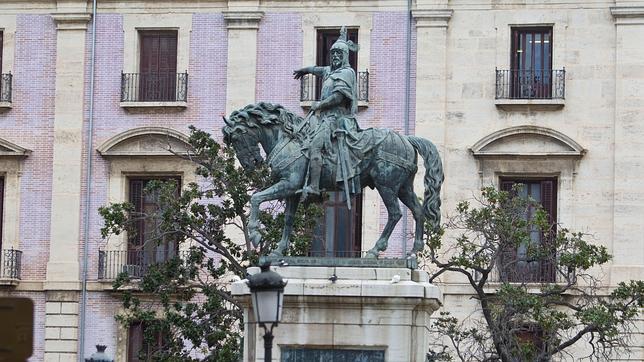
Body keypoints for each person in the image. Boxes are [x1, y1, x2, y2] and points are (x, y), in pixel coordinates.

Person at [293, 27, 361, 198]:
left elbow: (338, 97)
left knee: (315, 146)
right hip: (323, 117)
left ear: (345, 56)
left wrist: (319, 105)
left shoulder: (347, 73)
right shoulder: (330, 71)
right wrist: (305, 70)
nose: (335, 57)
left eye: (339, 54)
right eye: (333, 54)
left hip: (336, 118)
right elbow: (318, 69)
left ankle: (314, 187)